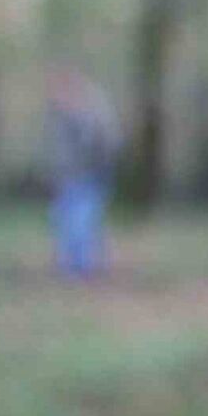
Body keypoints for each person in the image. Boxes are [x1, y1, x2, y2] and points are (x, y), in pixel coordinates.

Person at [45, 64, 122, 279]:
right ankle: (74, 267)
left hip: (88, 176)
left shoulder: (89, 114)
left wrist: (93, 169)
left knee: (80, 221)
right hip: (69, 178)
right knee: (67, 220)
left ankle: (81, 269)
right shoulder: (60, 116)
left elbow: (102, 146)